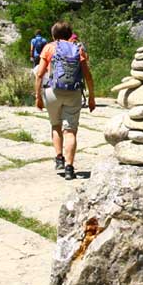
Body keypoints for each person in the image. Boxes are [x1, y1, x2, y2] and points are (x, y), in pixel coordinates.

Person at [34, 22, 96, 180]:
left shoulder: (49, 48)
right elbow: (88, 76)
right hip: (73, 93)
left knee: (56, 125)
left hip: (52, 92)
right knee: (70, 131)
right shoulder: (77, 48)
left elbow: (40, 74)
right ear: (70, 34)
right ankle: (69, 168)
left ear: (53, 35)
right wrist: (91, 97)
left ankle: (59, 158)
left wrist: (38, 97)